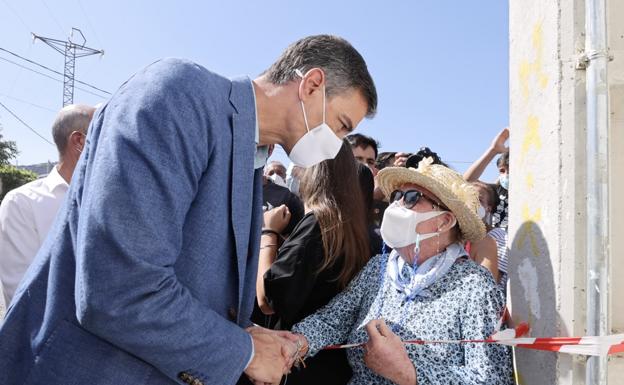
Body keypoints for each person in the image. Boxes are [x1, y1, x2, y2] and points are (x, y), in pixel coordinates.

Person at [0, 35, 377, 385]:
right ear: (311, 85)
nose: (336, 145)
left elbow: (198, 283)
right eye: (341, 126)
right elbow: (120, 287)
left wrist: (245, 332)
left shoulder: (250, 158)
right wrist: (243, 352)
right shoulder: (178, 95)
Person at [288, 158, 513, 384]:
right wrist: (291, 345)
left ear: (444, 221)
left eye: (411, 198)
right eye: (396, 196)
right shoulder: (379, 267)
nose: (396, 205)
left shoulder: (474, 286)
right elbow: (333, 320)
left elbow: (491, 378)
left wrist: (408, 374)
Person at [254, 140, 370, 384]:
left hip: (295, 359)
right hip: (329, 365)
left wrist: (269, 232)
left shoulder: (319, 223)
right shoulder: (355, 230)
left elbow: (267, 300)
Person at [0, 104, 95, 304]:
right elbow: (25, 300)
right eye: (106, 138)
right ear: (80, 141)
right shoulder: (21, 203)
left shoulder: (110, 201)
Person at [464, 127, 509, 229]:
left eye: (510, 171)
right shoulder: (497, 191)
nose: (506, 174)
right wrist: (493, 150)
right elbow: (467, 182)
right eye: (502, 170)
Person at [469, 181, 509, 292]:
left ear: (488, 208)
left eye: (479, 200)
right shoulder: (456, 238)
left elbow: (490, 287)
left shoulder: (498, 238)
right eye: (467, 198)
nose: (472, 203)